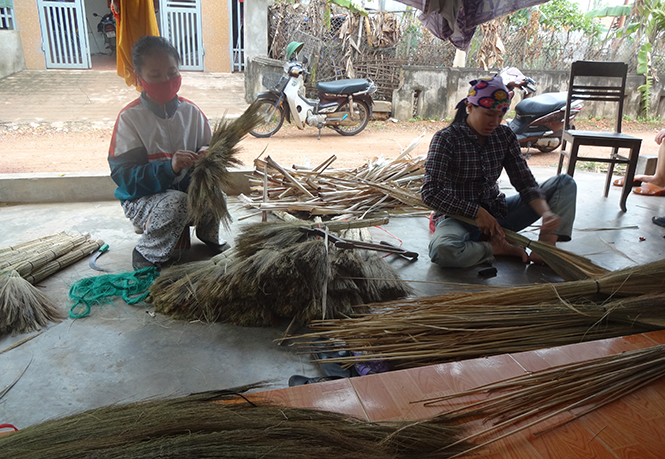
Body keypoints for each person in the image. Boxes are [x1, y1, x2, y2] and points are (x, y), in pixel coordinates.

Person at [421, 77, 577, 269]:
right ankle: (494, 248)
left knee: (564, 183)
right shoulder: (446, 139)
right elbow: (430, 193)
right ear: (470, 107)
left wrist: (546, 213)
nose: (494, 122)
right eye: (488, 114)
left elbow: (524, 182)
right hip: (458, 218)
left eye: (500, 116)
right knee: (443, 250)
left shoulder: (504, 136)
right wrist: (476, 212)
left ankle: (545, 247)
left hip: (498, 216)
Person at [108, 35, 227, 270]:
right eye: (155, 75)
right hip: (142, 199)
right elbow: (125, 178)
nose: (166, 80)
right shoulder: (130, 118)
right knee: (176, 203)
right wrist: (168, 168)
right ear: (138, 78)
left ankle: (208, 236)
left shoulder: (192, 113)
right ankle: (147, 253)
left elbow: (212, 151)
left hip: (183, 194)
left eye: (172, 73)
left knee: (215, 193)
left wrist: (206, 157)